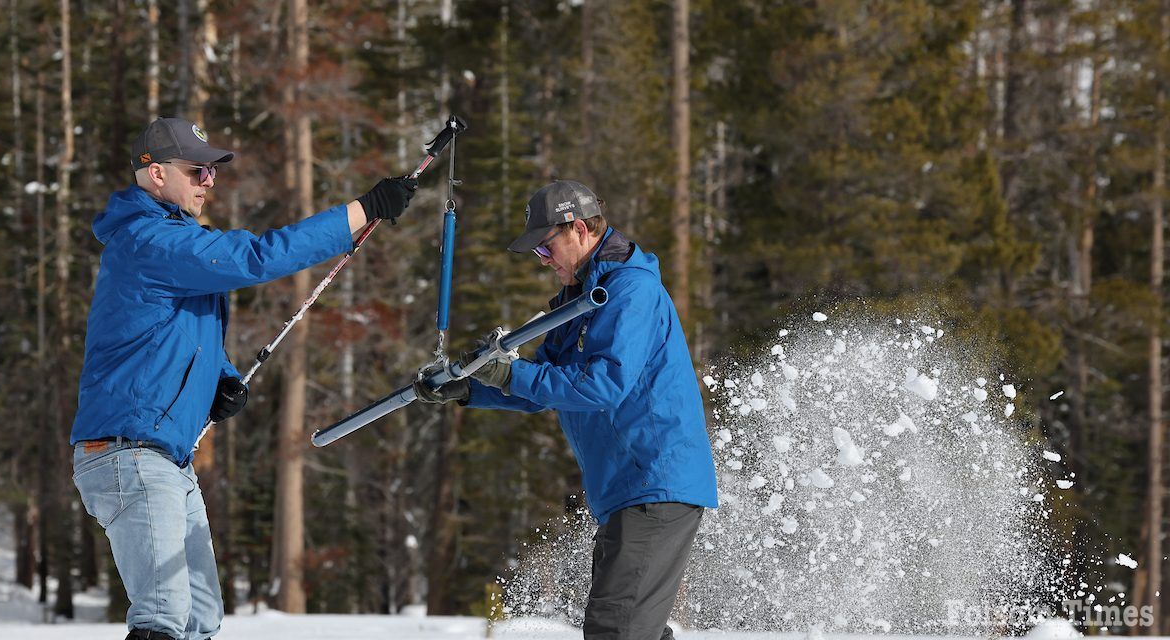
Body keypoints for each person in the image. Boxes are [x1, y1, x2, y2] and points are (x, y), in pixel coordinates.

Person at [69, 116, 417, 640]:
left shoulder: (168, 241)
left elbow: (175, 333)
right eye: (197, 171)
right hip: (130, 454)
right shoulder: (148, 241)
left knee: (198, 617)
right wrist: (361, 211)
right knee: (162, 616)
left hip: (164, 458)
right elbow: (257, 257)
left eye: (212, 172)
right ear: (156, 174)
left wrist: (220, 377)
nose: (209, 181)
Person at [414, 180, 719, 640]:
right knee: (627, 628)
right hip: (625, 488)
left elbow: (604, 386)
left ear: (579, 228)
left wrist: (510, 375)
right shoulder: (577, 301)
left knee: (615, 630)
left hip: (656, 482)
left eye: (546, 247)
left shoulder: (630, 292)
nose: (544, 260)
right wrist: (469, 390)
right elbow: (544, 387)